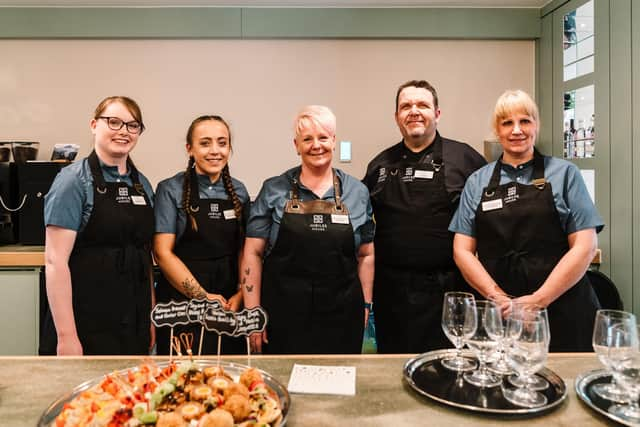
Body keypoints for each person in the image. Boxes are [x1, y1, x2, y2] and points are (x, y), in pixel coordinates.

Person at [450, 89, 603, 352]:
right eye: (507, 123)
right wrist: (498, 299)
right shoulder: (477, 182)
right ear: (497, 130)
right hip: (500, 315)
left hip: (563, 309)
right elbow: (462, 251)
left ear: (536, 126)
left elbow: (585, 246)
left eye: (525, 121)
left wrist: (536, 302)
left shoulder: (565, 174)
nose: (516, 130)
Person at [362, 80, 486, 353]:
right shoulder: (379, 165)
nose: (414, 111)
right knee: (394, 370)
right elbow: (359, 225)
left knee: (451, 366)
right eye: (406, 106)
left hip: (451, 291)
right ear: (397, 117)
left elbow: (492, 219)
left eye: (422, 105)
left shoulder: (466, 159)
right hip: (392, 294)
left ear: (437, 114)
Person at [241, 105, 375, 354]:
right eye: (307, 139)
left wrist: (365, 305)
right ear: (296, 145)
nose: (316, 145)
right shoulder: (273, 190)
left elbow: (366, 254)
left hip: (343, 313)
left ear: (334, 141)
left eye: (323, 137)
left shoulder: (357, 192)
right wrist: (252, 314)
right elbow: (253, 253)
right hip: (283, 313)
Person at [41, 96, 155, 355]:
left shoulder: (143, 185)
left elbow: (143, 256)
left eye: (132, 125)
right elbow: (55, 262)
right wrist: (67, 336)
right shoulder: (72, 181)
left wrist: (149, 316)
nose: (123, 131)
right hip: (85, 324)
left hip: (132, 323)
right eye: (114, 122)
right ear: (94, 125)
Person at [154, 115, 249, 355]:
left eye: (222, 142)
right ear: (190, 149)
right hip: (182, 304)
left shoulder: (239, 191)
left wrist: (240, 293)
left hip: (228, 304)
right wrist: (202, 297)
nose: (215, 151)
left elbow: (243, 250)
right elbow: (162, 253)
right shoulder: (170, 190)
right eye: (205, 143)